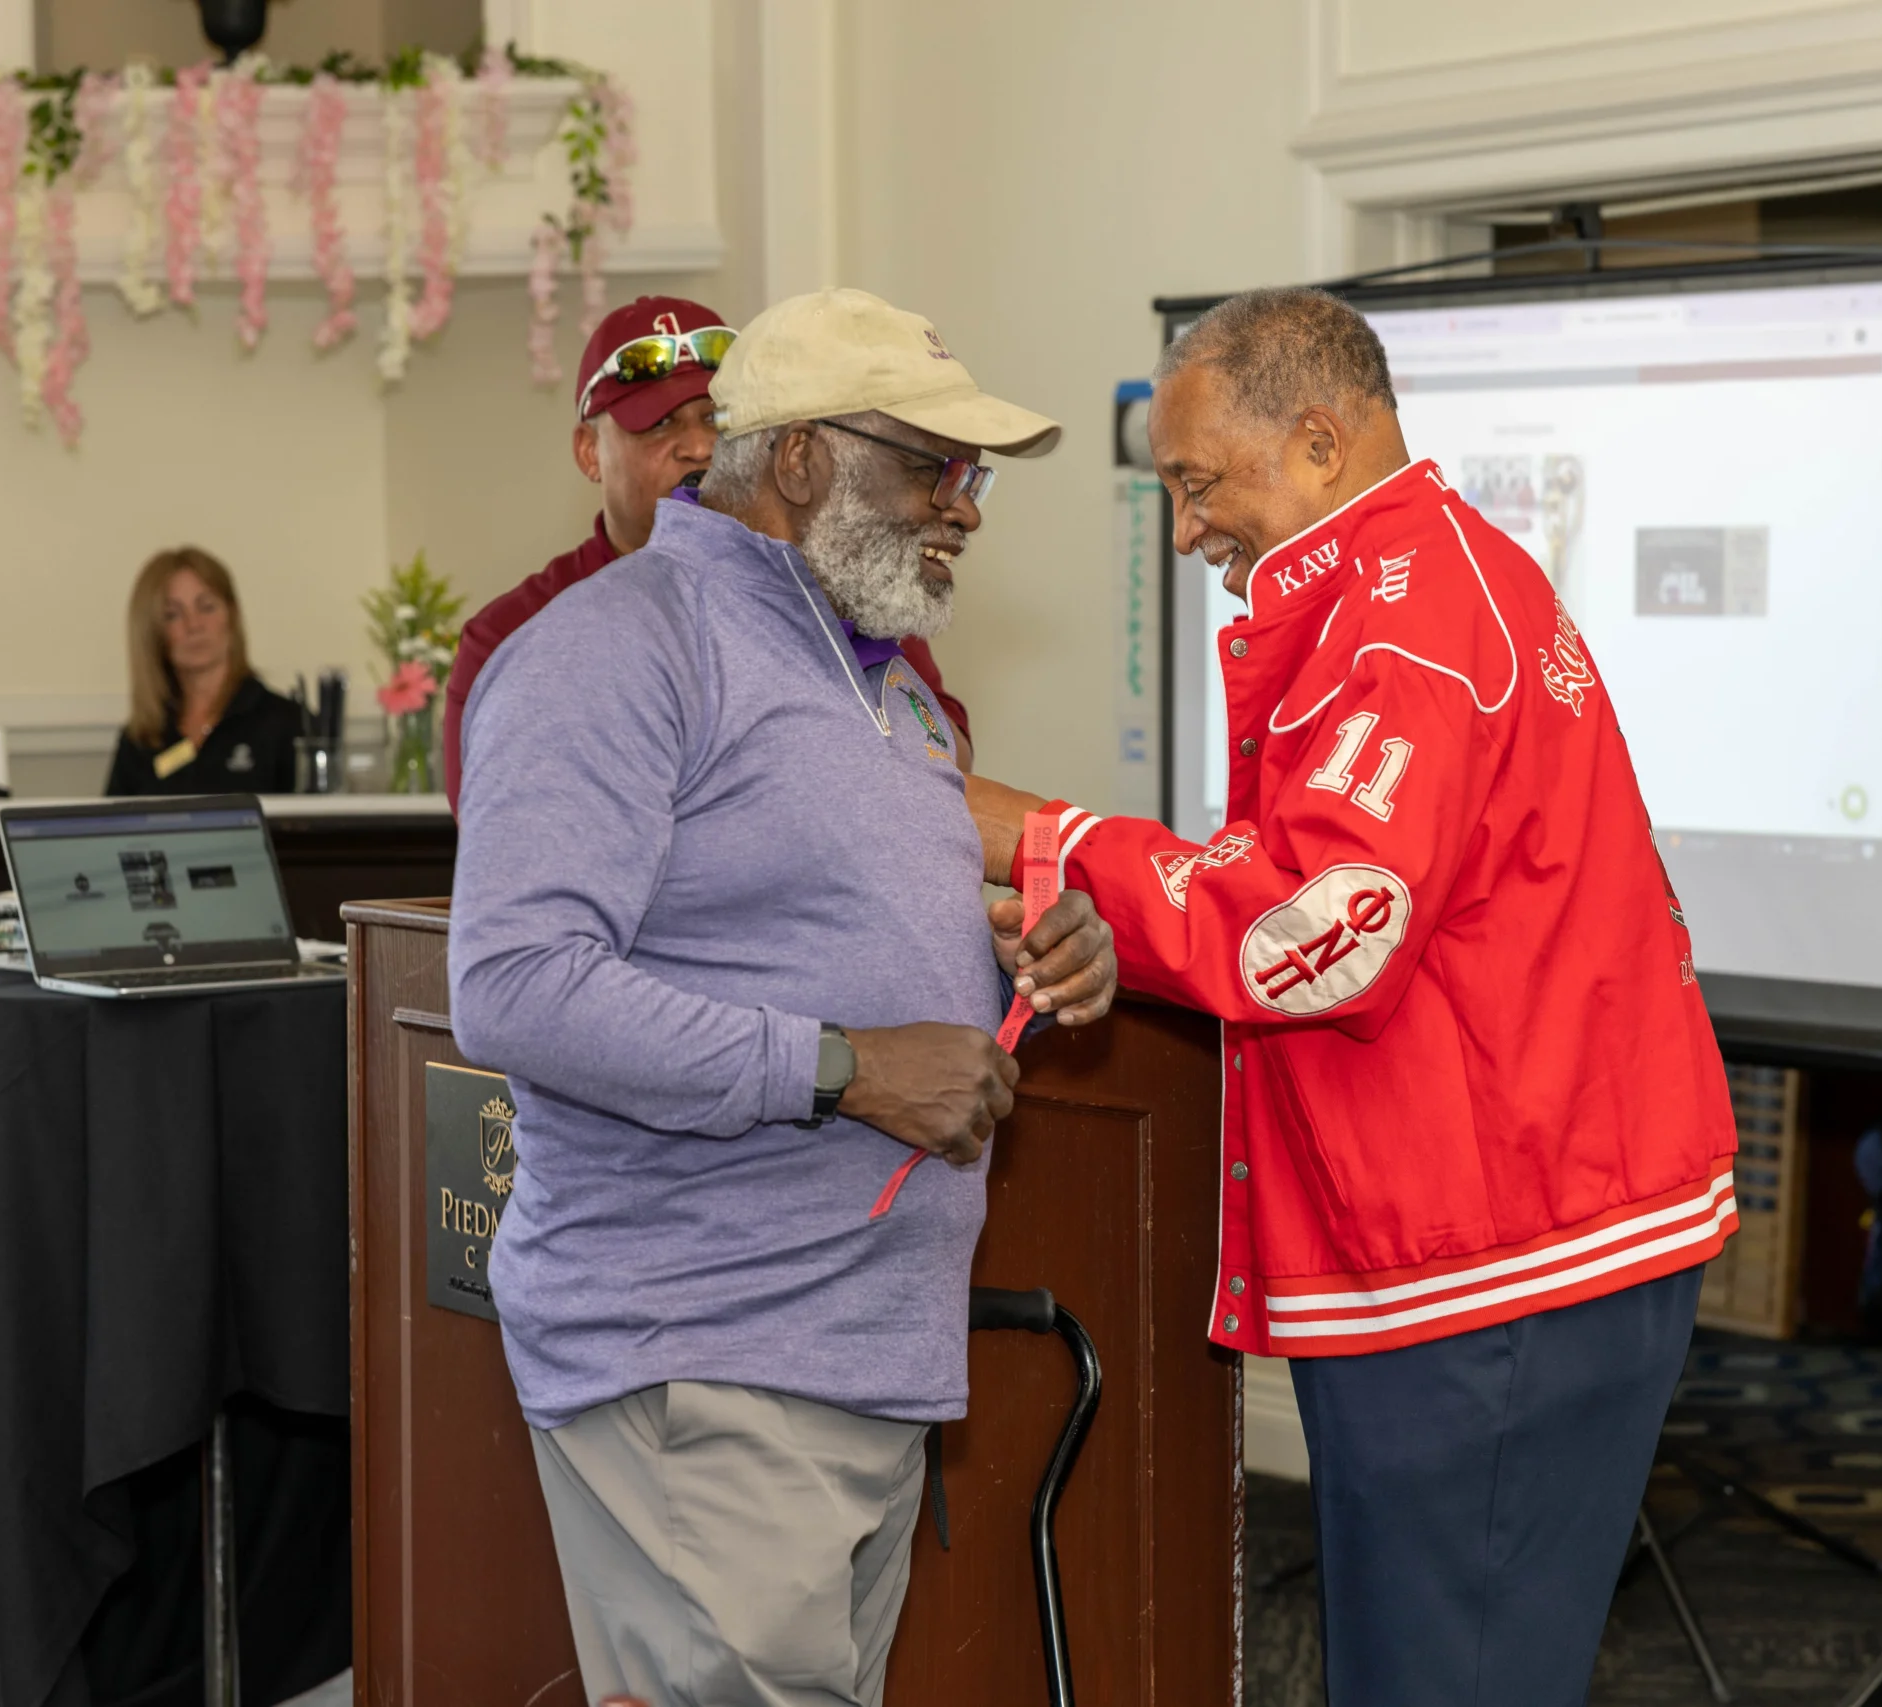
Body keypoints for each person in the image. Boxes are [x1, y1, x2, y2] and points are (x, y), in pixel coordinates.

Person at [964, 287, 1740, 1706]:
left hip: (1499, 1253)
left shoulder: (1406, 628)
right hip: (1513, 1217)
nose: (1185, 530)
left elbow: (1317, 929)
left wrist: (1039, 836)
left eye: (1198, 482)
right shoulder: (1417, 580)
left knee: (1445, 1676)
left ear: (1318, 443)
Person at [447, 288, 1116, 1707]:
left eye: (973, 474)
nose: (965, 507)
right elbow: (514, 985)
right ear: (802, 458)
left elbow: (803, 925)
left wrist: (1024, 954)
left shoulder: (885, 680)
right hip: (704, 1359)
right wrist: (847, 1066)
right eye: (934, 466)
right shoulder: (615, 646)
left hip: (854, 1361)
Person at [441, 295, 978, 810]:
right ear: (589, 453)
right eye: (659, 424)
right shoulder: (516, 630)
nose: (699, 447)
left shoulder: (837, 586)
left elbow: (946, 765)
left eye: (716, 421)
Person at [105, 546, 302, 796]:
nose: (194, 625)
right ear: (153, 633)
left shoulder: (286, 724)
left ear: (231, 616)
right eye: (173, 615)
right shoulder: (141, 739)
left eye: (207, 607)